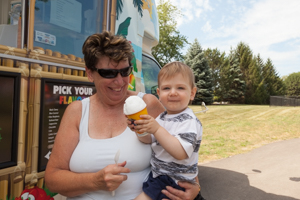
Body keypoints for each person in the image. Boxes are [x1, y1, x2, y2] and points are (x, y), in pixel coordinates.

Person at [44, 31, 201, 199]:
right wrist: (95, 181)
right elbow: (53, 180)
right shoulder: (77, 111)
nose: (120, 81)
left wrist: (194, 187)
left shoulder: (148, 104)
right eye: (109, 73)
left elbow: (180, 152)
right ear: (90, 73)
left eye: (125, 71)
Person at [127, 61, 203, 200]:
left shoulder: (189, 121)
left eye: (180, 88)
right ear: (159, 93)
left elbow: (180, 152)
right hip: (159, 177)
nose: (173, 93)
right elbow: (149, 139)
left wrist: (156, 129)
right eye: (167, 88)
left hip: (176, 182)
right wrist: (140, 130)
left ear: (192, 93)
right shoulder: (163, 117)